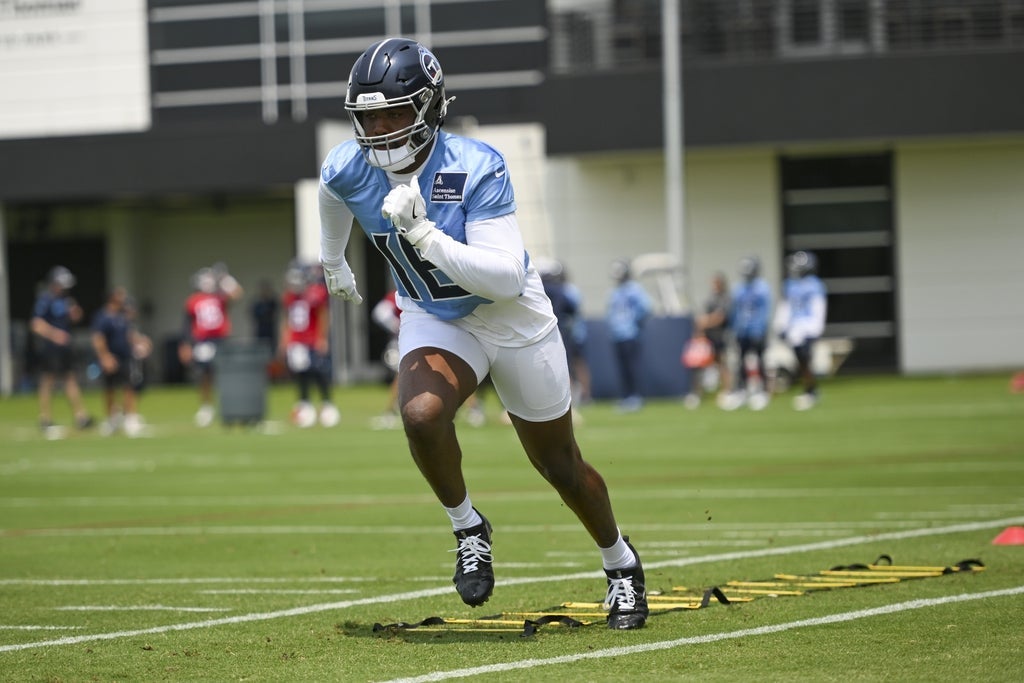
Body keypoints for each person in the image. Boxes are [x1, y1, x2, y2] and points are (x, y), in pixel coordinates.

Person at [317, 37, 648, 629]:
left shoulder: (475, 164)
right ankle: (468, 526)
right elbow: (331, 191)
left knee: (560, 466)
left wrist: (425, 238)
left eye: (395, 112)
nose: (381, 130)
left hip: (512, 317)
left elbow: (501, 279)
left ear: (430, 106)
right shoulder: (349, 164)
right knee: (420, 414)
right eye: (368, 116)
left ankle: (620, 563)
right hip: (433, 314)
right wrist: (332, 259)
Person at [29, 265, 95, 436]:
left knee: (70, 379)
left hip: (65, 347)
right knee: (48, 381)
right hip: (50, 348)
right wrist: (54, 334)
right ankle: (45, 418)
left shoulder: (66, 300)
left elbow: (76, 318)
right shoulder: (45, 300)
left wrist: (75, 312)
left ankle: (81, 416)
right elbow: (36, 324)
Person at [178, 265, 244, 427]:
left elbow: (237, 293)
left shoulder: (220, 297)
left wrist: (225, 279)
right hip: (202, 340)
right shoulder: (193, 300)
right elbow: (187, 324)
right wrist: (185, 345)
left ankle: (227, 404)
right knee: (204, 373)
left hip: (220, 338)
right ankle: (206, 406)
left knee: (224, 373)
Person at [280, 261, 339, 428]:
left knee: (317, 371)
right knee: (301, 373)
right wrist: (285, 339)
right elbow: (287, 319)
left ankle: (327, 403)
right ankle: (304, 403)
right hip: (296, 340)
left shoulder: (316, 293)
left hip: (312, 339)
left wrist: (322, 338)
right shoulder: (289, 296)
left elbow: (323, 316)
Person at [91, 286, 152, 436]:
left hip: (125, 356)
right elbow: (98, 338)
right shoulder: (103, 316)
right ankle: (111, 419)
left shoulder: (121, 316)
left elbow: (128, 334)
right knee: (110, 389)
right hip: (111, 357)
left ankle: (130, 418)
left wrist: (141, 341)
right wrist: (105, 356)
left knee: (128, 387)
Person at [775, 251, 828, 410]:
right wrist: (781, 325)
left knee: (805, 359)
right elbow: (786, 307)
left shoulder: (815, 284)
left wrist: (816, 327)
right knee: (800, 360)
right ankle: (809, 388)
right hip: (794, 328)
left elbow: (818, 307)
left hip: (808, 327)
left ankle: (810, 390)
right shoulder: (790, 284)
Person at [722, 255, 772, 411]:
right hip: (742, 330)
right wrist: (734, 327)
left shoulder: (762, 287)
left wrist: (761, 327)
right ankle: (741, 390)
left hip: (757, 329)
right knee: (741, 361)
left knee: (759, 360)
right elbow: (735, 310)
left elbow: (764, 311)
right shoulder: (739, 288)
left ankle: (762, 391)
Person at [539, 259, 591, 408]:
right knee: (570, 364)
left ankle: (564, 397)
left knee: (559, 365)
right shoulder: (564, 290)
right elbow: (573, 308)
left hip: (549, 331)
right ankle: (578, 397)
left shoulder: (542, 289)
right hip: (565, 330)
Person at [605, 259, 653, 413]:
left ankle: (636, 396)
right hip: (617, 334)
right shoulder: (615, 292)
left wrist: (634, 322)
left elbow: (646, 307)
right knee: (622, 368)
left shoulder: (634, 289)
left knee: (633, 367)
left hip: (630, 333)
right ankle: (626, 397)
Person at [683, 270, 731, 409]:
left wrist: (706, 321)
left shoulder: (725, 298)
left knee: (721, 364)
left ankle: (727, 392)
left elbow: (720, 317)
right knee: (698, 366)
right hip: (707, 338)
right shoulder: (710, 298)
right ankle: (697, 393)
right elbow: (703, 317)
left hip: (719, 336)